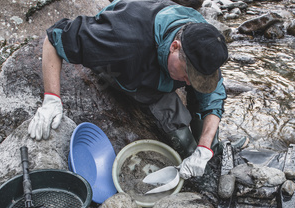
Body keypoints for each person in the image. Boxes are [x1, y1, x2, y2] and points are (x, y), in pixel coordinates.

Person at [28, 0, 246, 180]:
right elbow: (54, 37)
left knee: (205, 104)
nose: (188, 84)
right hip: (128, 60)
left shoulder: (202, 37)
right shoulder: (119, 43)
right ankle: (192, 156)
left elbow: (213, 96)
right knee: (171, 114)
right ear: (175, 46)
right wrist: (51, 99)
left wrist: (205, 149)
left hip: (154, 34)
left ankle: (211, 154)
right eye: (188, 74)